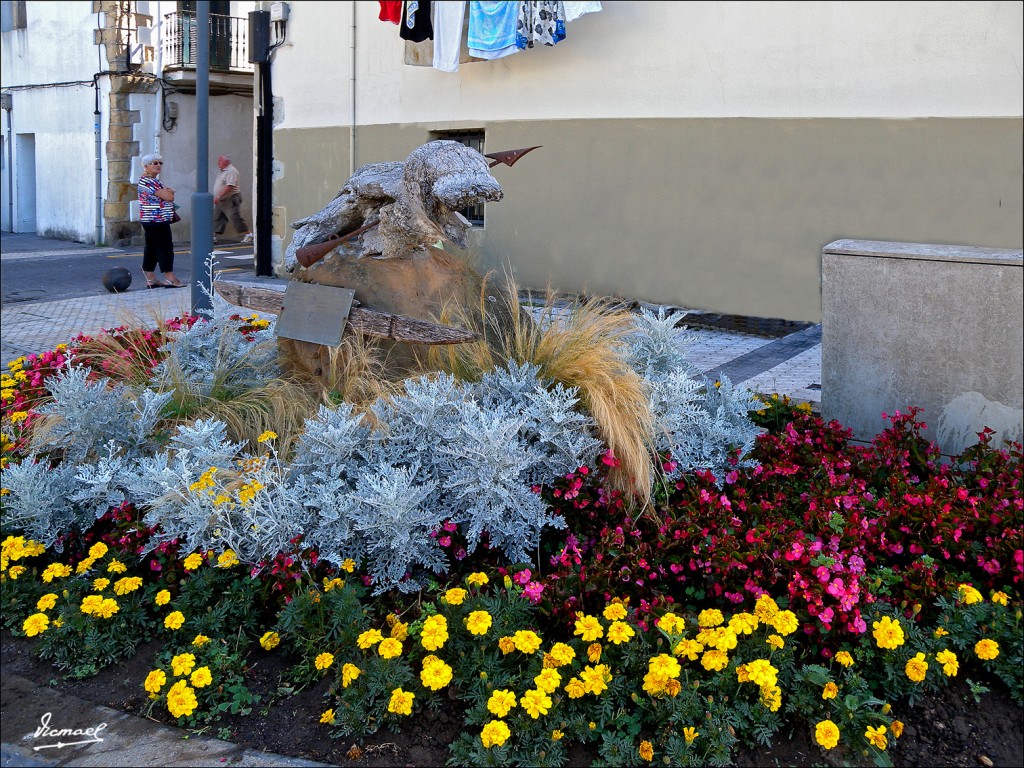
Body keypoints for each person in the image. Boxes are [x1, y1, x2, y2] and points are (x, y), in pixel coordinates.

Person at [137, 152, 185, 288]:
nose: (159, 166)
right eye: (155, 163)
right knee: (165, 248)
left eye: (160, 163)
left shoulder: (151, 181)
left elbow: (165, 194)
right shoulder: (150, 181)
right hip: (157, 220)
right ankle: (170, 278)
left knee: (151, 248)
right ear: (146, 166)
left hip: (151, 220)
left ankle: (150, 278)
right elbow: (169, 197)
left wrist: (167, 191)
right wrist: (170, 191)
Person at [213, 154, 252, 243]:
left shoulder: (231, 171)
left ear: (227, 162)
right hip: (221, 199)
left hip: (230, 198)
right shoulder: (223, 171)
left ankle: (249, 234)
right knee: (217, 217)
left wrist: (218, 196)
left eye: (220, 161)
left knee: (235, 217)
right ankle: (213, 236)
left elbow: (230, 186)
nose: (218, 162)